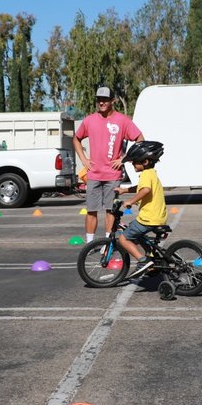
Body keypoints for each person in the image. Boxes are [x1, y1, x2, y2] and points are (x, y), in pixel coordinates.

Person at [73, 86, 144, 243]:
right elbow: (76, 139)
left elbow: (140, 138)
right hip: (94, 174)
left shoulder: (122, 120)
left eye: (105, 99)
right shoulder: (89, 120)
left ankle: (107, 244)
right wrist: (84, 160)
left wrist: (124, 158)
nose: (101, 102)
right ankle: (89, 244)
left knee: (110, 210)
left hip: (113, 175)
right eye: (99, 99)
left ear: (113, 100)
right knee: (91, 210)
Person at [115, 141, 166, 277]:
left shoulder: (145, 175)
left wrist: (130, 201)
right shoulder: (150, 173)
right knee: (136, 232)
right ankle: (151, 257)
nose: (132, 164)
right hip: (158, 217)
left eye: (135, 161)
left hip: (148, 218)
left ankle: (143, 261)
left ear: (145, 161)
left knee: (123, 239)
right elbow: (140, 187)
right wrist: (124, 190)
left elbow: (145, 190)